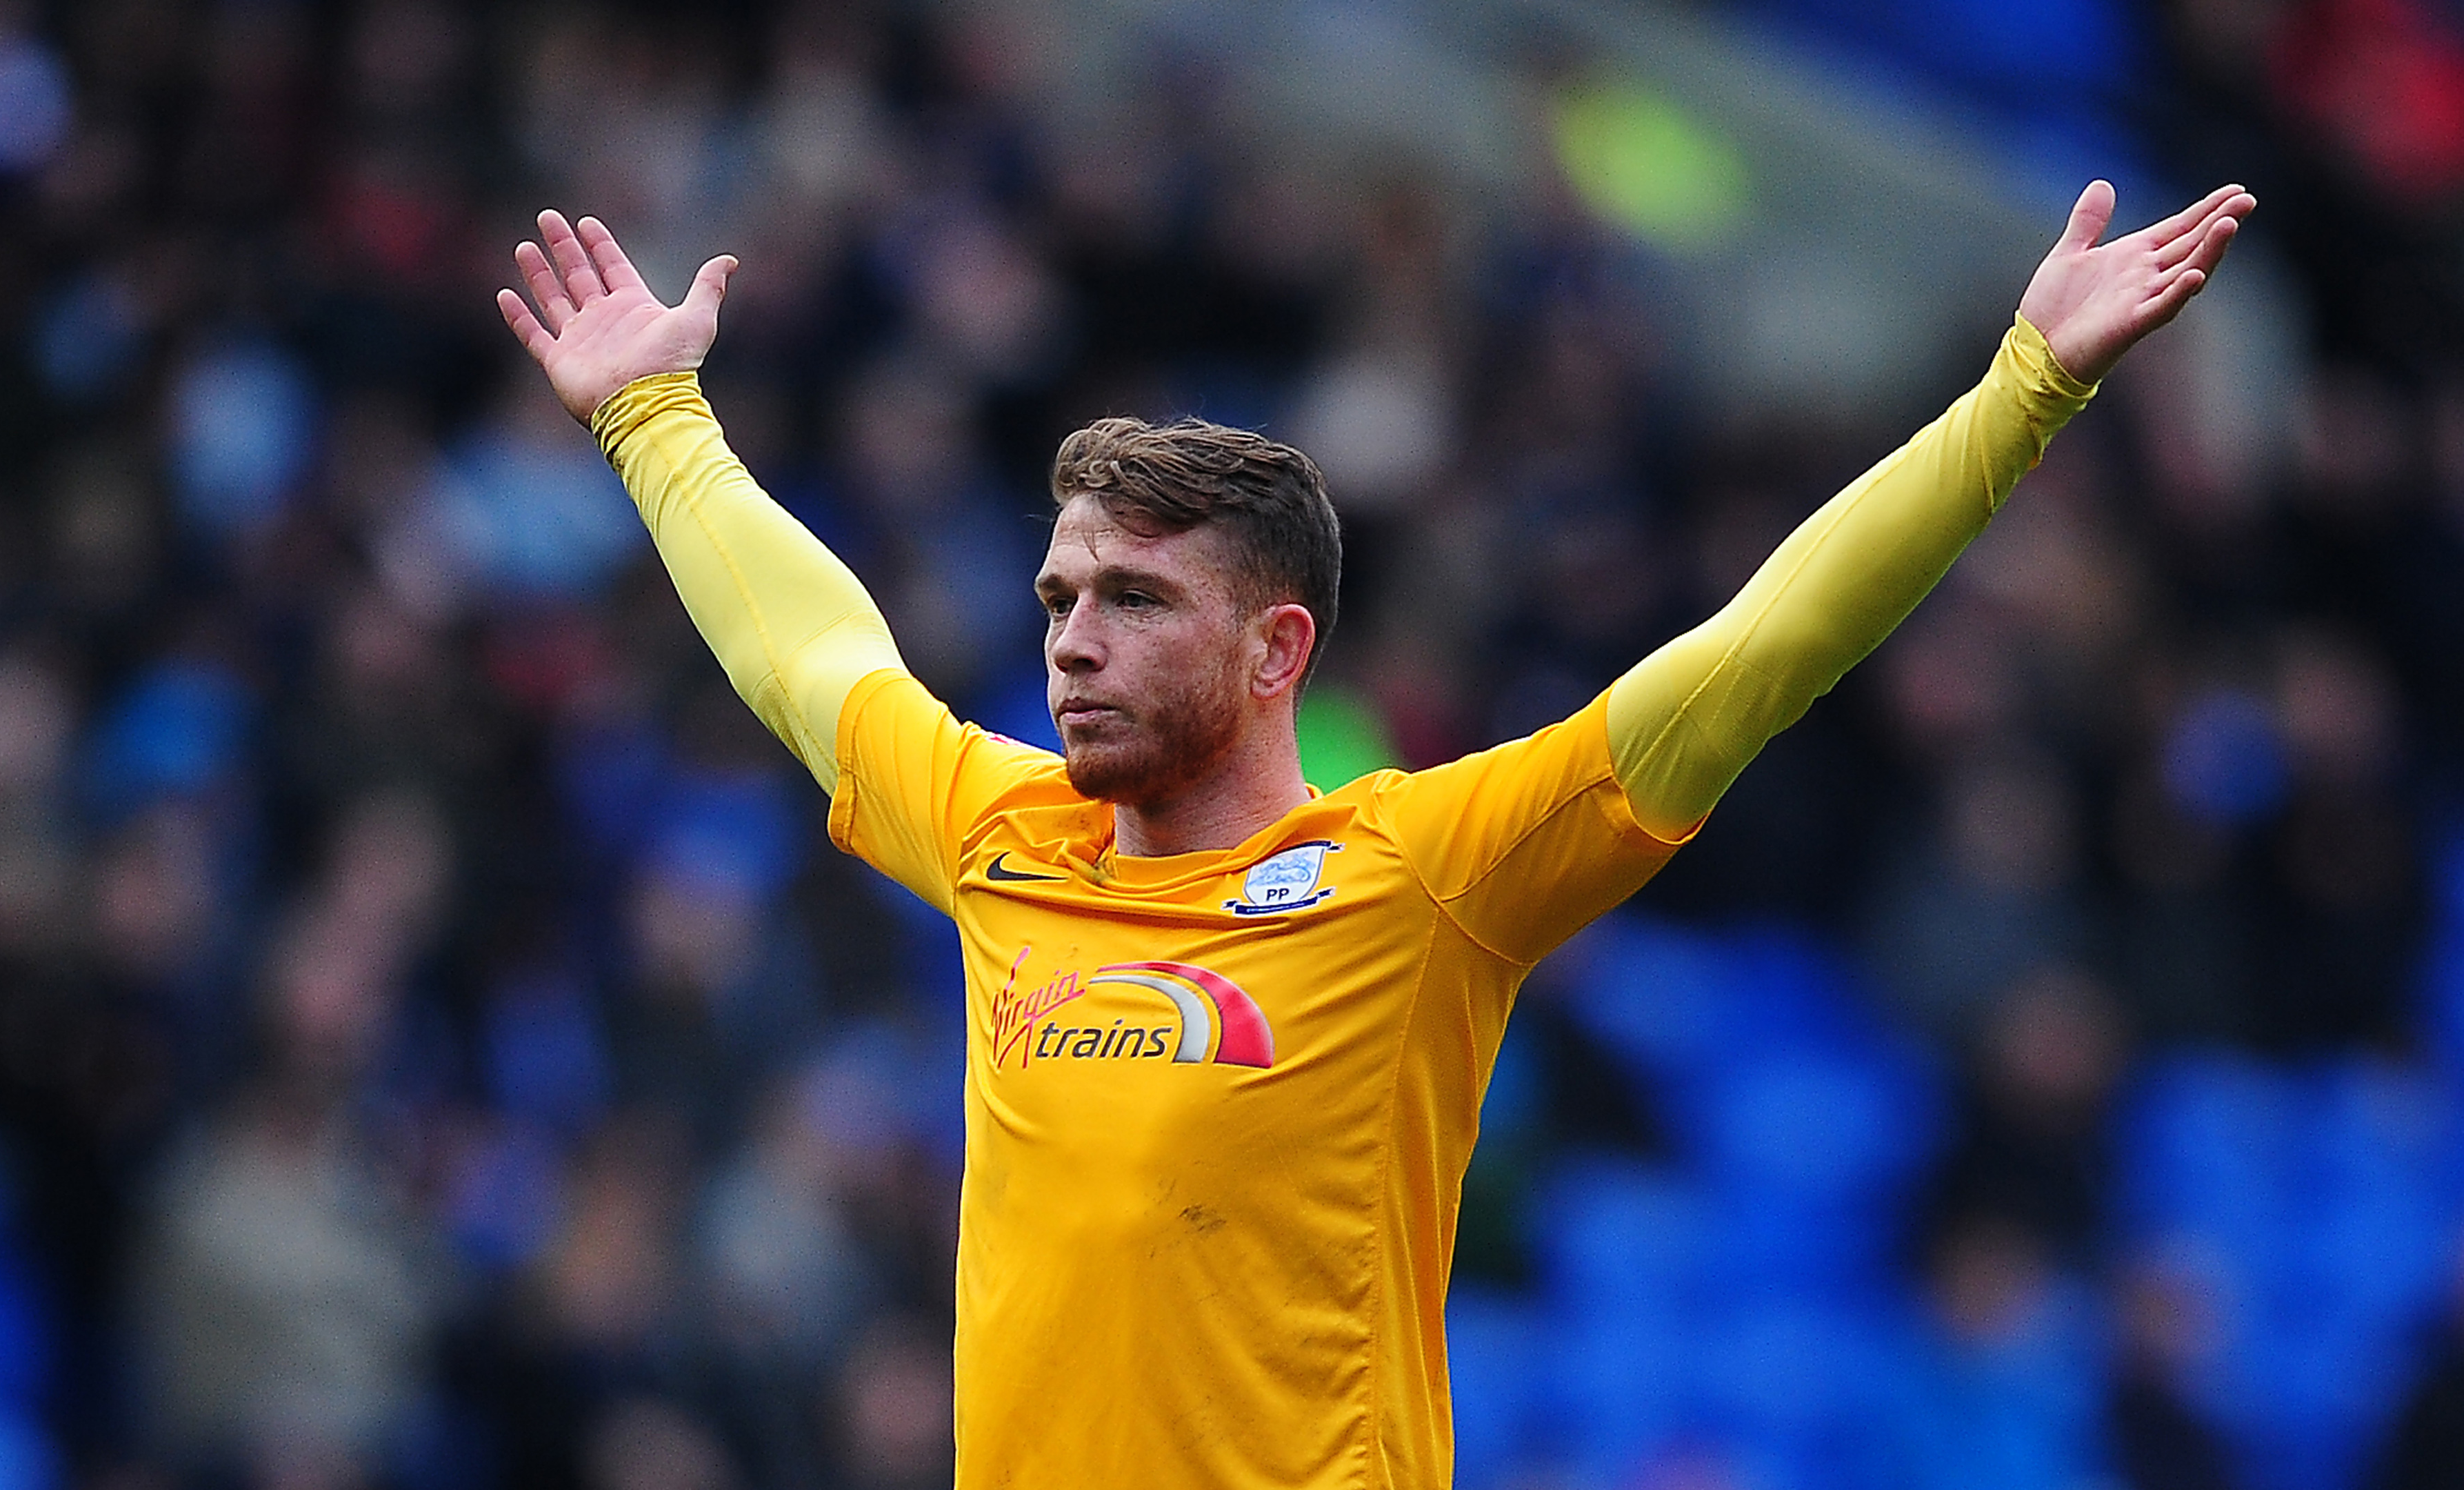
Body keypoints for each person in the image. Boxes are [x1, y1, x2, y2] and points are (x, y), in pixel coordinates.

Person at [498, 178, 2254, 1489]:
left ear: (1279, 653)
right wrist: (656, 419)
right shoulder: (998, 834)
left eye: (1131, 598)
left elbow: (1757, 655)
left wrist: (2026, 386)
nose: (1070, 638)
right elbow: (814, 654)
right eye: (1055, 594)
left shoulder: (1420, 879)